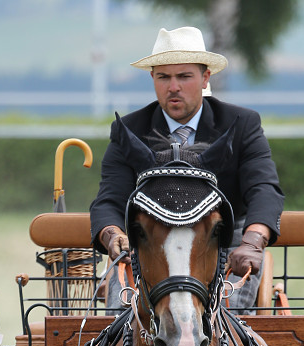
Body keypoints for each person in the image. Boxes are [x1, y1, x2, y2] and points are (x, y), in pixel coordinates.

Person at [89, 26, 284, 312]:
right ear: (152, 79)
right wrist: (113, 234)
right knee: (121, 321)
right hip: (146, 249)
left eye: (184, 76)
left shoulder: (243, 123)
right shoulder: (127, 130)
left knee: (227, 323)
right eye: (164, 77)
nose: (173, 87)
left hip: (224, 247)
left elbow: (264, 188)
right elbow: (109, 198)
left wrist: (252, 242)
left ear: (206, 78)